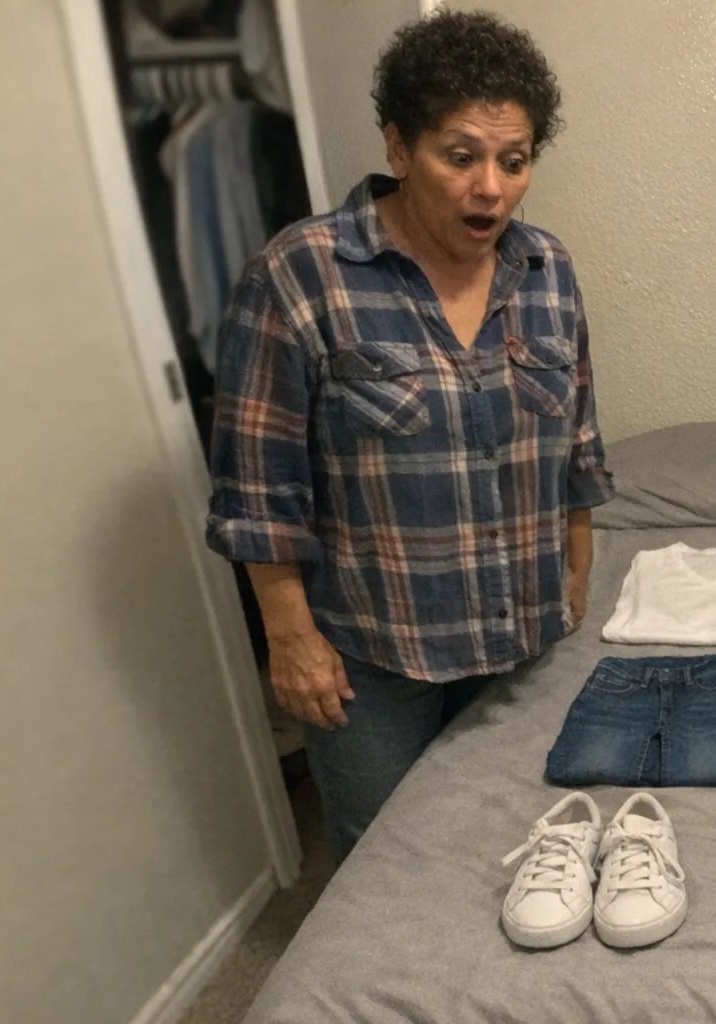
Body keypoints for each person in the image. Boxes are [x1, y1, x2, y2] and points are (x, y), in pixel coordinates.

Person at [206, 11, 614, 864]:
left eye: (514, 160)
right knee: (385, 871)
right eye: (460, 156)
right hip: (375, 652)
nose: (491, 188)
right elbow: (258, 489)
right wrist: (290, 640)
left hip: (521, 639)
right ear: (399, 148)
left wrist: (577, 569)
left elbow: (576, 438)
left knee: (525, 847)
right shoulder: (300, 274)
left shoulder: (547, 271)